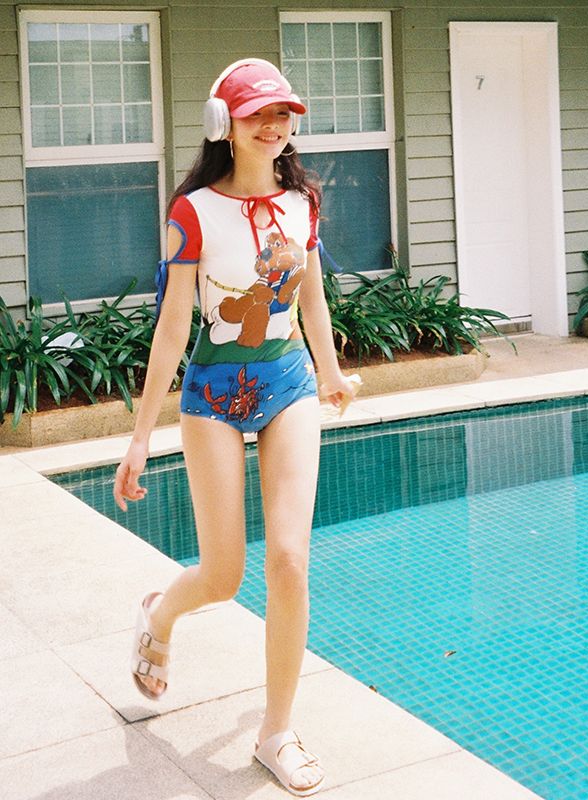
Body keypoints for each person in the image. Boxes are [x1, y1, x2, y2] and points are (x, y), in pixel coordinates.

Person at [113, 58, 358, 797]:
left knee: (288, 559)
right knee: (224, 576)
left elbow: (311, 299)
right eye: (258, 113)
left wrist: (330, 370)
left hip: (288, 385)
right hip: (213, 394)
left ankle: (276, 732)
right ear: (224, 124)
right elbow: (172, 326)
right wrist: (140, 435)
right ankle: (160, 614)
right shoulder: (193, 211)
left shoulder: (303, 203)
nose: (274, 126)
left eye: (283, 114)